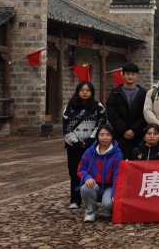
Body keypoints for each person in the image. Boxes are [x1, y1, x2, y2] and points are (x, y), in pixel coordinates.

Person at [62, 81, 106, 209]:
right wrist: (75, 141)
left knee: (93, 171)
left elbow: (101, 124)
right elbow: (66, 127)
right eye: (82, 90)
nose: (85, 92)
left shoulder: (98, 107)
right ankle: (75, 200)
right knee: (74, 172)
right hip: (73, 146)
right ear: (77, 91)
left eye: (88, 90)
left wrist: (91, 140)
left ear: (92, 92)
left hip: (92, 146)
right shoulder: (70, 107)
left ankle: (92, 198)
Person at [77, 124, 123, 223]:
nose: (105, 137)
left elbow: (118, 176)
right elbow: (81, 169)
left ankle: (108, 208)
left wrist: (115, 193)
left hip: (110, 187)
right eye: (102, 134)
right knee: (85, 188)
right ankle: (91, 211)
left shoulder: (117, 154)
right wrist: (87, 177)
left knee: (109, 204)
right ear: (97, 136)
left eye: (108, 134)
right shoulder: (89, 152)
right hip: (95, 185)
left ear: (112, 136)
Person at [105, 62, 147, 159]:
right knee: (119, 162)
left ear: (137, 76)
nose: (130, 76)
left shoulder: (143, 93)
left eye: (133, 74)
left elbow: (145, 113)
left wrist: (134, 130)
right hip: (119, 135)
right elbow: (112, 114)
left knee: (136, 162)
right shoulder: (115, 93)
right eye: (127, 74)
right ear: (122, 75)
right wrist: (124, 130)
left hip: (137, 136)